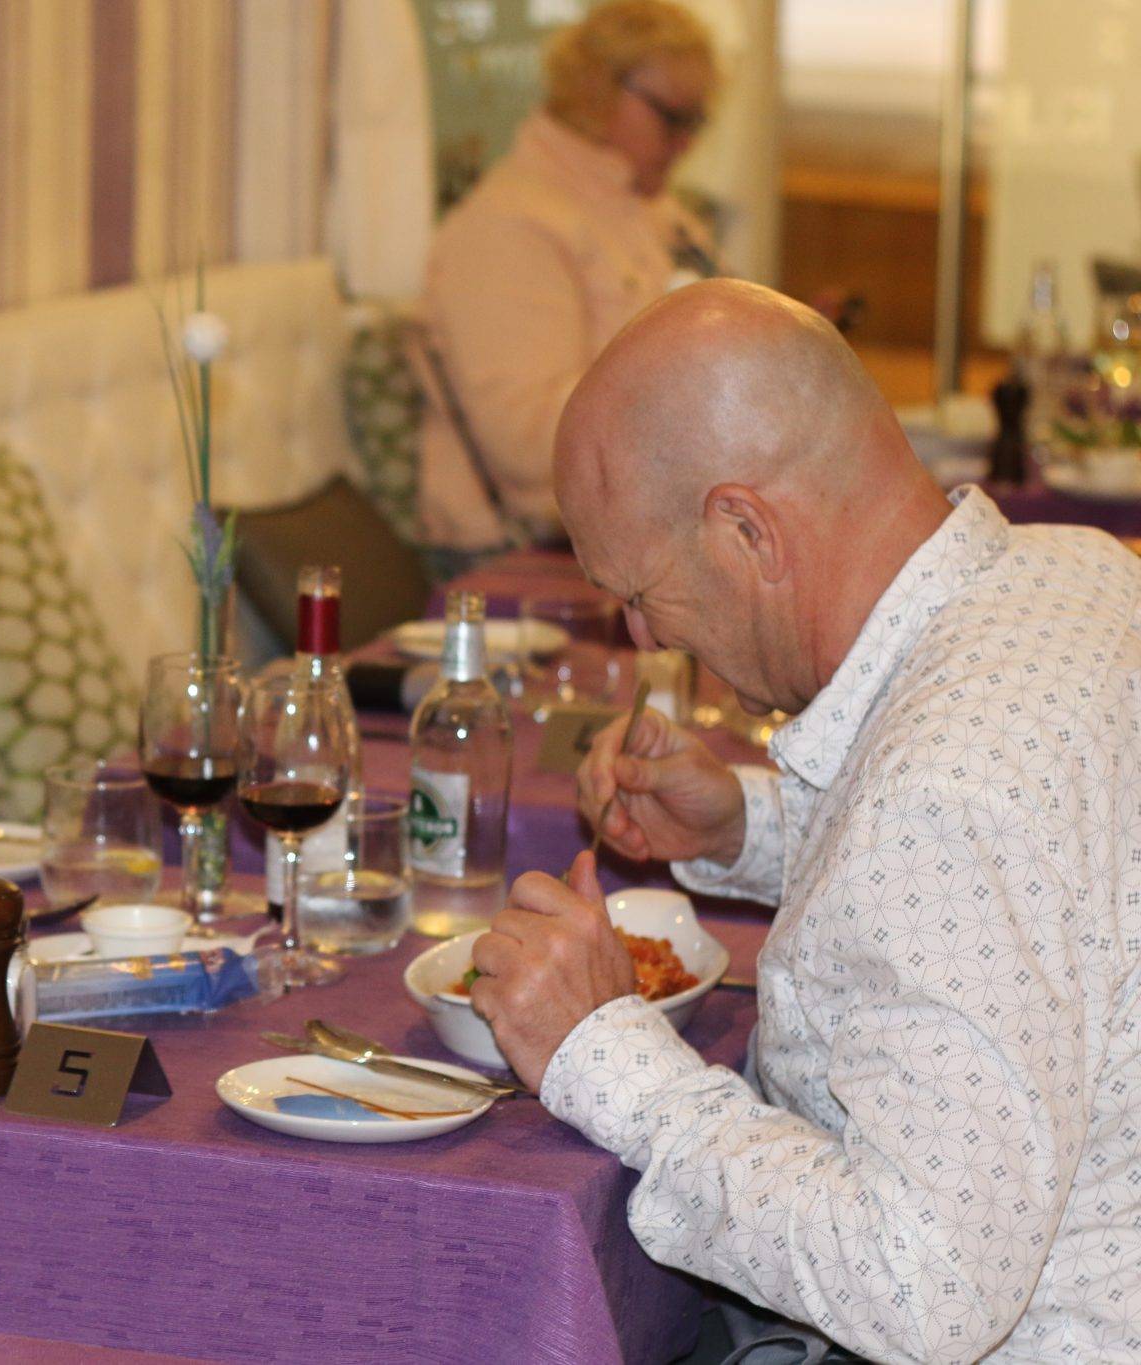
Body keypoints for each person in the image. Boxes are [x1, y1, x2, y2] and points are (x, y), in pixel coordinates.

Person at [468, 278, 1141, 1361]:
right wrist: (743, 826)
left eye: (638, 594)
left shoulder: (945, 791)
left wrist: (605, 1058)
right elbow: (1023, 897)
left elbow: (920, 1289)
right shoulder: (1071, 570)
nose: (643, 639)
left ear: (746, 529)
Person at [416, 0, 717, 558]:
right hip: (534, 553)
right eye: (673, 118)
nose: (686, 143)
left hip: (634, 529)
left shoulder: (648, 209)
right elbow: (526, 443)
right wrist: (697, 386)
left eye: (697, 121)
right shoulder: (507, 224)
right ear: (596, 91)